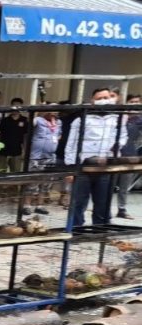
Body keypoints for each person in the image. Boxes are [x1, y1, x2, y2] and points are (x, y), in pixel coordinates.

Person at [65, 87, 127, 227]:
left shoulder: (117, 120)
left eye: (106, 98)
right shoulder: (81, 120)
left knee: (103, 202)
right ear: (92, 101)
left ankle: (100, 230)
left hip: (106, 166)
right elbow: (71, 144)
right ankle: (76, 229)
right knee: (78, 202)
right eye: (99, 98)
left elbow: (123, 136)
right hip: (84, 167)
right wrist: (70, 168)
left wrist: (117, 145)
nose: (103, 101)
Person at [27, 105, 61, 215]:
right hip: (36, 157)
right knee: (32, 181)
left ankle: (40, 205)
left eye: (55, 110)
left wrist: (52, 141)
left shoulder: (59, 123)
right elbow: (30, 123)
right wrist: (40, 112)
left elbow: (59, 135)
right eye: (50, 110)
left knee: (45, 183)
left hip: (50, 157)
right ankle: (27, 205)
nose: (52, 112)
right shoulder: (39, 120)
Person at [115, 92, 141, 220]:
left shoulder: (140, 120)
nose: (135, 104)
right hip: (115, 154)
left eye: (137, 102)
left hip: (131, 155)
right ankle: (104, 209)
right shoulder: (119, 118)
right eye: (132, 102)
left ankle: (122, 209)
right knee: (109, 183)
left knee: (124, 186)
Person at [0, 98, 28, 173]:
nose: (15, 108)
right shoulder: (4, 120)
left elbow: (25, 136)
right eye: (14, 106)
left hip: (17, 151)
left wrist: (24, 150)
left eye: (18, 106)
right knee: (0, 172)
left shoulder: (24, 120)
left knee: (15, 173)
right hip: (3, 151)